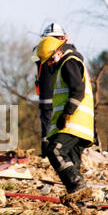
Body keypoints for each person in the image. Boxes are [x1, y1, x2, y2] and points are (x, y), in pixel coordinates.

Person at [36, 36, 94, 195]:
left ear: (58, 52)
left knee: (55, 150)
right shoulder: (64, 65)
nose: (50, 63)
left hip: (73, 122)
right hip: (78, 125)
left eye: (51, 59)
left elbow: (78, 90)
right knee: (73, 164)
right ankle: (79, 201)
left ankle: (76, 185)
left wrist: (67, 113)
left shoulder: (69, 62)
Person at [32, 23, 69, 157]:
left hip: (49, 96)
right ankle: (51, 154)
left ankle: (48, 154)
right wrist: (65, 43)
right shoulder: (59, 51)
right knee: (53, 127)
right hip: (53, 97)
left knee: (48, 128)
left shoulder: (39, 51)